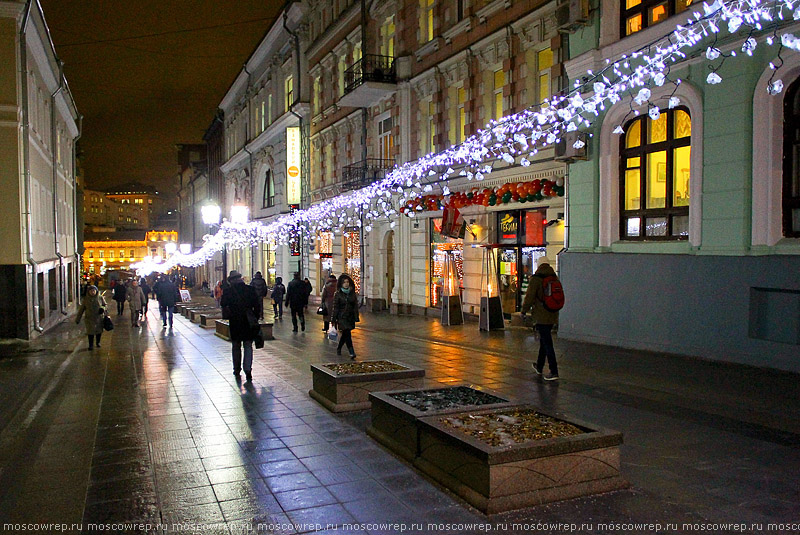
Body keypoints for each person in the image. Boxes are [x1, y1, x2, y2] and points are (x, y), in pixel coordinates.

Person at [521, 259, 561, 381]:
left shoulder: (537, 278)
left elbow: (529, 296)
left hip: (541, 315)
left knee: (547, 342)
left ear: (538, 265)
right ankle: (539, 366)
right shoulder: (554, 277)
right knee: (545, 339)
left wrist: (524, 310)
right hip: (553, 313)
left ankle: (554, 371)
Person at [220, 270, 259, 382]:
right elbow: (257, 305)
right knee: (248, 345)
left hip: (235, 321)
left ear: (231, 281)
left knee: (236, 345)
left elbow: (223, 304)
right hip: (248, 321)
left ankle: (236, 369)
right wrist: (254, 318)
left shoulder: (228, 291)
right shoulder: (250, 290)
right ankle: (248, 370)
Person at [331, 273, 360, 358]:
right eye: (344, 282)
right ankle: (351, 351)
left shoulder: (352, 293)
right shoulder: (338, 294)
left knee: (345, 334)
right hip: (342, 317)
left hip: (350, 317)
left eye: (347, 282)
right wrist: (333, 319)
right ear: (341, 284)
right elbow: (335, 307)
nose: (346, 284)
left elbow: (355, 306)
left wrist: (356, 316)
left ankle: (339, 347)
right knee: (347, 333)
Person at [76, 285, 106, 349]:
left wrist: (102, 308)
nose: (92, 292)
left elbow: (104, 305)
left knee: (99, 331)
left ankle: (98, 342)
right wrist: (78, 319)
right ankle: (91, 345)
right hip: (89, 318)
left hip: (99, 317)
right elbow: (81, 309)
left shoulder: (100, 297)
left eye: (94, 291)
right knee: (90, 332)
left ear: (96, 291)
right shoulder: (86, 299)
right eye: (91, 291)